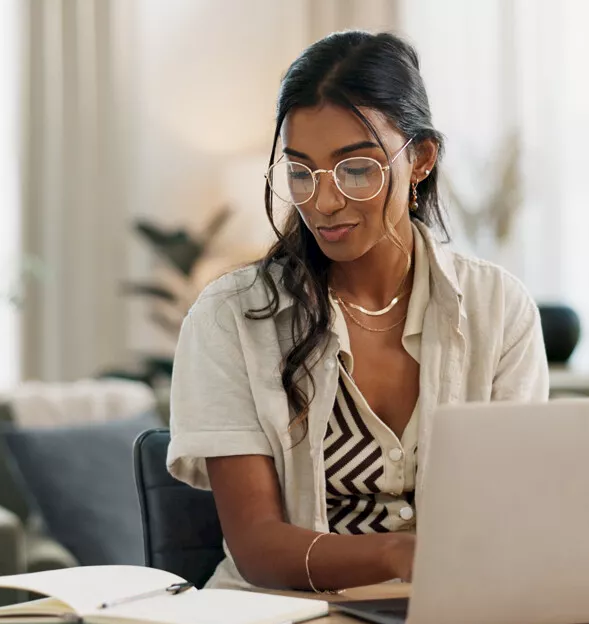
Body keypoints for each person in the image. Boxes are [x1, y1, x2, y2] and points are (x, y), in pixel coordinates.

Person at [168, 30, 548, 592]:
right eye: (301, 172)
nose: (323, 201)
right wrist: (398, 555)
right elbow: (257, 546)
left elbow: (513, 510)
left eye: (356, 169)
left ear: (420, 159)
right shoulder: (230, 318)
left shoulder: (499, 308)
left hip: (452, 618)